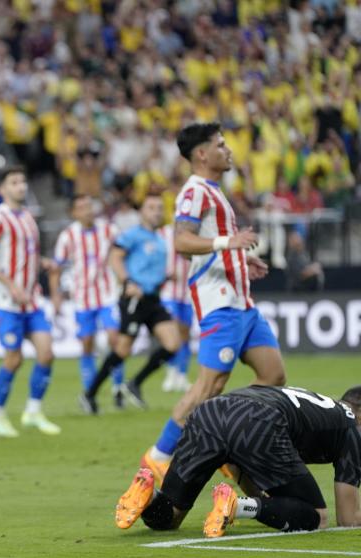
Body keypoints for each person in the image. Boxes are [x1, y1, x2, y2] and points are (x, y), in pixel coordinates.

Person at [140, 122, 284, 485]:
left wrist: (240, 259)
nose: (229, 149)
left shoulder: (216, 192)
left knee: (273, 377)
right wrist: (227, 244)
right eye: (221, 144)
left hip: (243, 303)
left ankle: (223, 431)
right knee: (207, 388)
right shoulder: (194, 192)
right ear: (202, 154)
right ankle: (157, 457)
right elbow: (182, 241)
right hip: (219, 304)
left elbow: (212, 243)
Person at [116, 385, 361, 537]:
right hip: (257, 420)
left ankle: (149, 497)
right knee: (317, 517)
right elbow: (347, 520)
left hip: (209, 412)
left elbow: (247, 468)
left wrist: (268, 504)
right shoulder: (351, 427)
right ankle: (238, 506)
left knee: (170, 516)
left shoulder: (320, 407)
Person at [79, 194, 182, 414]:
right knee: (123, 350)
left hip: (153, 299)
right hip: (134, 299)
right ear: (142, 212)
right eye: (151, 207)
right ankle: (89, 394)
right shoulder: (132, 235)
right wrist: (128, 282)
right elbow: (114, 257)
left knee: (173, 344)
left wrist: (165, 278)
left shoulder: (160, 239)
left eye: (159, 207)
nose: (156, 211)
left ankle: (134, 383)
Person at [0, 166, 60, 437]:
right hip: (6, 300)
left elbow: (28, 256)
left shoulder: (28, 217)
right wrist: (11, 285)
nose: (21, 186)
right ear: (2, 189)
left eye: (23, 181)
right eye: (14, 182)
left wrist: (42, 263)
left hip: (31, 300)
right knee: (14, 358)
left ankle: (33, 411)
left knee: (46, 354)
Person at [50, 195, 125, 406]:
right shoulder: (68, 236)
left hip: (108, 294)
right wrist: (56, 295)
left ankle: (118, 389)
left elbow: (123, 254)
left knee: (114, 339)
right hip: (82, 298)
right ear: (74, 213)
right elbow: (56, 268)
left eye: (89, 206)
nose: (87, 211)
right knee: (87, 344)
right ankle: (90, 394)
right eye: (81, 207)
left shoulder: (109, 230)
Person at [159, 220, 193, 393]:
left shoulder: (195, 233)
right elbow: (154, 257)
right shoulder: (163, 234)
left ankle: (182, 374)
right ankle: (171, 372)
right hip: (168, 292)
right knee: (173, 331)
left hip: (188, 293)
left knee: (185, 334)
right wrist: (163, 274)